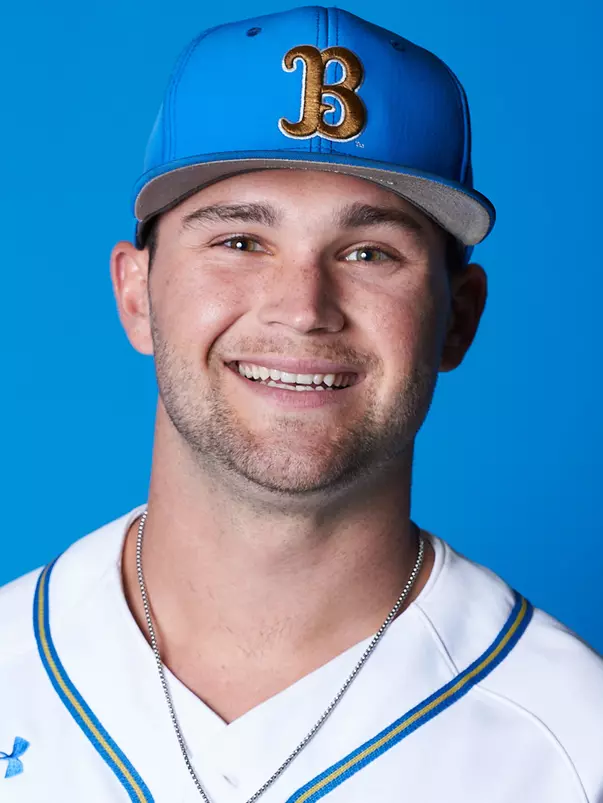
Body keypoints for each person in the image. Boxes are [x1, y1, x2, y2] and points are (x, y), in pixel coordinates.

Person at [1, 6, 602, 802]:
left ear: (457, 317)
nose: (303, 306)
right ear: (136, 293)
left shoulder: (573, 742)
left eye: (368, 252)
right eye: (240, 241)